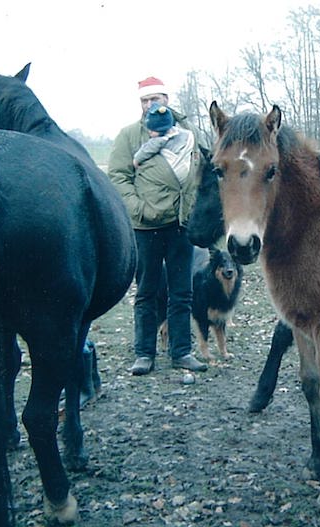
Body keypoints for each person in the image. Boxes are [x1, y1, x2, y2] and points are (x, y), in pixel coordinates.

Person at [108, 76, 207, 375]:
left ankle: (181, 352)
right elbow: (118, 176)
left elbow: (202, 167)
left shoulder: (188, 132)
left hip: (181, 224)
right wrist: (139, 209)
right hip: (146, 228)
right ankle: (144, 353)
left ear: (166, 99)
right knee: (147, 292)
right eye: (144, 100)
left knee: (182, 291)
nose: (150, 104)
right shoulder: (130, 136)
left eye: (155, 99)